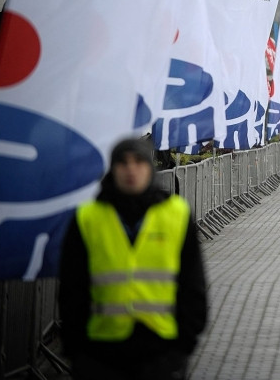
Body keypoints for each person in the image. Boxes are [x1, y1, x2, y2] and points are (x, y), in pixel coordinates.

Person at [59, 137, 206, 380]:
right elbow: (72, 289)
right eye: (123, 163)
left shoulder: (175, 214)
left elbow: (193, 285)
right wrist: (77, 351)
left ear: (150, 168)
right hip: (101, 352)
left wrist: (183, 346)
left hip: (161, 349)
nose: (131, 170)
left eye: (138, 162)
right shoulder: (88, 217)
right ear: (112, 169)